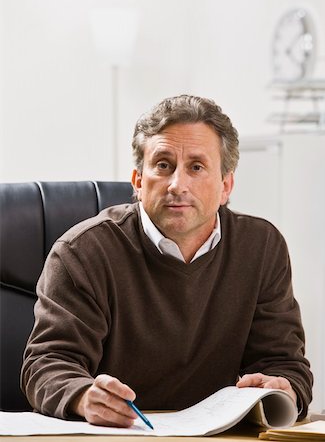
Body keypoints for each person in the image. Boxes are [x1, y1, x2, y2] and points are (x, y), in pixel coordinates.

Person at [21, 94, 313, 428]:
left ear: (225, 186)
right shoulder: (82, 251)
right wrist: (83, 396)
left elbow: (285, 364)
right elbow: (46, 364)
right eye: (163, 165)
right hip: (116, 436)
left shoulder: (262, 247)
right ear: (138, 182)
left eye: (197, 167)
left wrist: (283, 387)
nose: (177, 185)